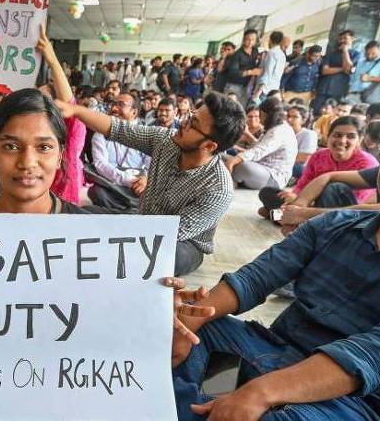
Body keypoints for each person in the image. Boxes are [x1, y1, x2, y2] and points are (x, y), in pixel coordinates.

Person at [171, 108, 380, 421]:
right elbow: (257, 277)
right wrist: (191, 319)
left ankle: (199, 402)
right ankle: (212, 398)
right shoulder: (336, 224)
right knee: (187, 334)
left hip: (358, 400)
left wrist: (262, 392)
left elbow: (373, 356)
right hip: (273, 352)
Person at [57, 92, 245, 276]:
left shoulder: (218, 188)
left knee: (163, 256)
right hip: (143, 220)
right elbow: (118, 129)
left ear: (209, 146)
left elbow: (170, 234)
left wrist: (114, 231)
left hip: (182, 243)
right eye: (190, 116)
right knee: (80, 214)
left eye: (192, 124)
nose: (183, 123)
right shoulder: (167, 140)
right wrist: (76, 111)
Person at [259, 116, 379, 215]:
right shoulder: (318, 156)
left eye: (350, 136)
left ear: (359, 140)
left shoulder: (367, 163)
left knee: (334, 188)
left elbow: (358, 203)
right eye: (337, 135)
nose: (342, 141)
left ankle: (282, 216)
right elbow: (303, 184)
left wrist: (306, 204)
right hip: (308, 202)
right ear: (328, 136)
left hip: (344, 212)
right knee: (267, 192)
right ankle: (284, 215)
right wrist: (294, 195)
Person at [37, 26, 86, 205]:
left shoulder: (73, 127)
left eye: (44, 98)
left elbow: (69, 102)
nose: (38, 103)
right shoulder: (38, 126)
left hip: (63, 193)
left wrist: (52, 60)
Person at [88, 93, 151, 211]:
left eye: (120, 105)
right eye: (114, 104)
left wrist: (146, 179)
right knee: (97, 193)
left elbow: (151, 165)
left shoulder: (145, 134)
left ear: (134, 112)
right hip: (111, 184)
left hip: (138, 186)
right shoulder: (100, 133)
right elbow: (100, 164)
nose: (114, 108)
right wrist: (127, 180)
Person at [225, 97, 298, 190]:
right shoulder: (273, 128)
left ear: (268, 115)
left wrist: (234, 160)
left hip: (273, 176)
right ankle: (233, 179)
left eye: (261, 115)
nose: (260, 118)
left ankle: (230, 180)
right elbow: (258, 146)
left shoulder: (280, 130)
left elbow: (259, 151)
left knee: (243, 166)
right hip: (258, 167)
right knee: (220, 156)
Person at [315, 30, 361, 115]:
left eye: (345, 38)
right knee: (317, 112)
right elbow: (325, 70)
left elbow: (348, 69)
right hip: (324, 88)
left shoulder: (356, 54)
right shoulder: (331, 54)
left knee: (333, 114)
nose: (342, 40)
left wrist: (345, 51)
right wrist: (342, 69)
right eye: (340, 39)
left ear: (352, 39)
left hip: (339, 90)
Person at [219, 29, 263, 107]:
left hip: (246, 87)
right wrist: (251, 72)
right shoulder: (237, 55)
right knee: (230, 108)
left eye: (253, 40)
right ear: (243, 39)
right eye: (248, 39)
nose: (250, 42)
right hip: (233, 86)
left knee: (242, 109)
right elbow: (233, 73)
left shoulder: (255, 51)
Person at [252, 31, 286, 102]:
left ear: (270, 40)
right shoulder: (282, 55)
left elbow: (267, 73)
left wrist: (258, 92)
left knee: (258, 108)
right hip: (274, 88)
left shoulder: (271, 53)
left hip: (264, 90)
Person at [286, 105, 317, 178]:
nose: (289, 119)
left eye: (294, 117)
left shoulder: (309, 134)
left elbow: (302, 159)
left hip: (298, 167)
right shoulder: (284, 132)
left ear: (303, 120)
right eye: (288, 116)